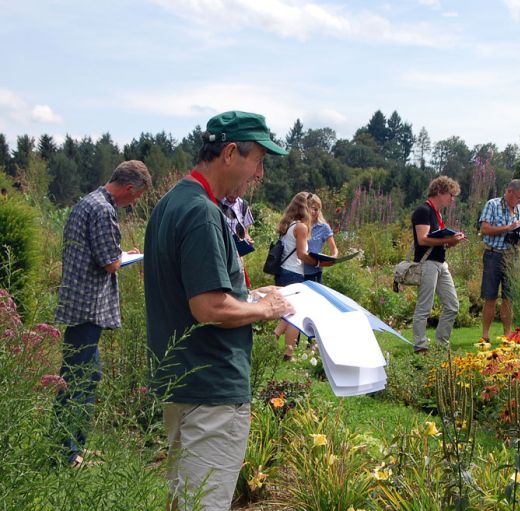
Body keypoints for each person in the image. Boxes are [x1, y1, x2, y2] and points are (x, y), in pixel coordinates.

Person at [143, 111, 293, 511]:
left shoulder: (172, 203)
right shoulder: (202, 213)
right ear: (230, 153)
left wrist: (247, 295)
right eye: (259, 160)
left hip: (183, 383)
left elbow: (194, 289)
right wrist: (265, 309)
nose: (259, 174)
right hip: (211, 388)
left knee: (183, 499)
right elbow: (207, 306)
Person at [53, 160, 152, 467]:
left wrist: (122, 255)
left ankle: (72, 448)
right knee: (78, 379)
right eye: (136, 197)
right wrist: (130, 258)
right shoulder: (103, 209)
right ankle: (64, 453)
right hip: (88, 307)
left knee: (87, 375)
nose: (134, 202)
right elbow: (109, 262)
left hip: (78, 303)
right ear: (129, 188)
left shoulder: (87, 202)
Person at [272, 192, 330, 360]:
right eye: (311, 208)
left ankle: (273, 338)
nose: (314, 213)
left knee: (288, 311)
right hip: (293, 273)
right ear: (304, 208)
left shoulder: (289, 224)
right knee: (294, 314)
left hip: (282, 271)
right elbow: (302, 255)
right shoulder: (301, 227)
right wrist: (319, 263)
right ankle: (288, 353)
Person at [411, 176, 464, 353]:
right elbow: (423, 239)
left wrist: (452, 240)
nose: (452, 199)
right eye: (451, 194)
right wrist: (449, 239)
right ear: (440, 192)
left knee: (452, 305)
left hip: (440, 263)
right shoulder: (423, 211)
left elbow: (438, 239)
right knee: (424, 306)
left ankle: (442, 343)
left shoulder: (437, 213)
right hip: (427, 263)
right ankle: (420, 345)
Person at [478, 179, 520, 341]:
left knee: (509, 297)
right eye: (519, 197)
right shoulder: (492, 205)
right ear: (509, 192)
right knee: (490, 296)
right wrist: (508, 228)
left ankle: (507, 334)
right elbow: (484, 229)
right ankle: (485, 335)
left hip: (513, 256)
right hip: (494, 254)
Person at [303, 193, 338, 283]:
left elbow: (334, 248)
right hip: (299, 271)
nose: (313, 212)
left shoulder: (324, 227)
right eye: (311, 208)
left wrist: (333, 257)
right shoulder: (300, 225)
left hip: (315, 273)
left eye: (316, 209)